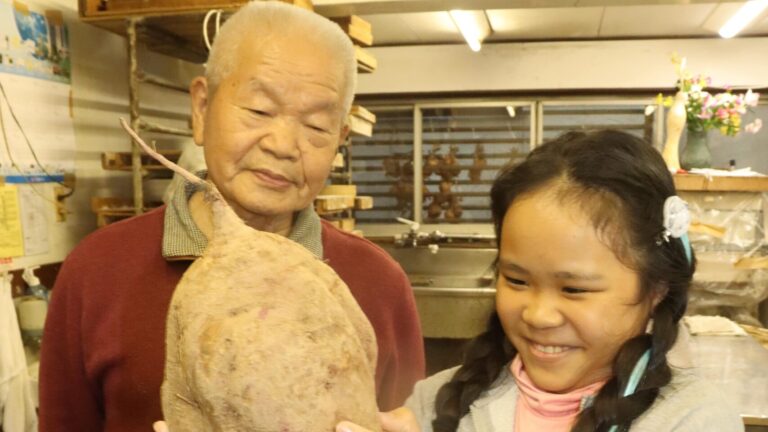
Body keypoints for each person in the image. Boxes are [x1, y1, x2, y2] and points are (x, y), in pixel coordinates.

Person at [38, 2, 425, 431]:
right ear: (202, 108)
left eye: (316, 126)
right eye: (259, 110)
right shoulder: (95, 271)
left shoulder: (380, 284)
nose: (282, 144)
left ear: (340, 140)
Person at [337, 130, 743, 432]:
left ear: (655, 290)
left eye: (574, 289)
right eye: (515, 279)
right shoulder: (434, 401)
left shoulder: (694, 419)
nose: (538, 314)